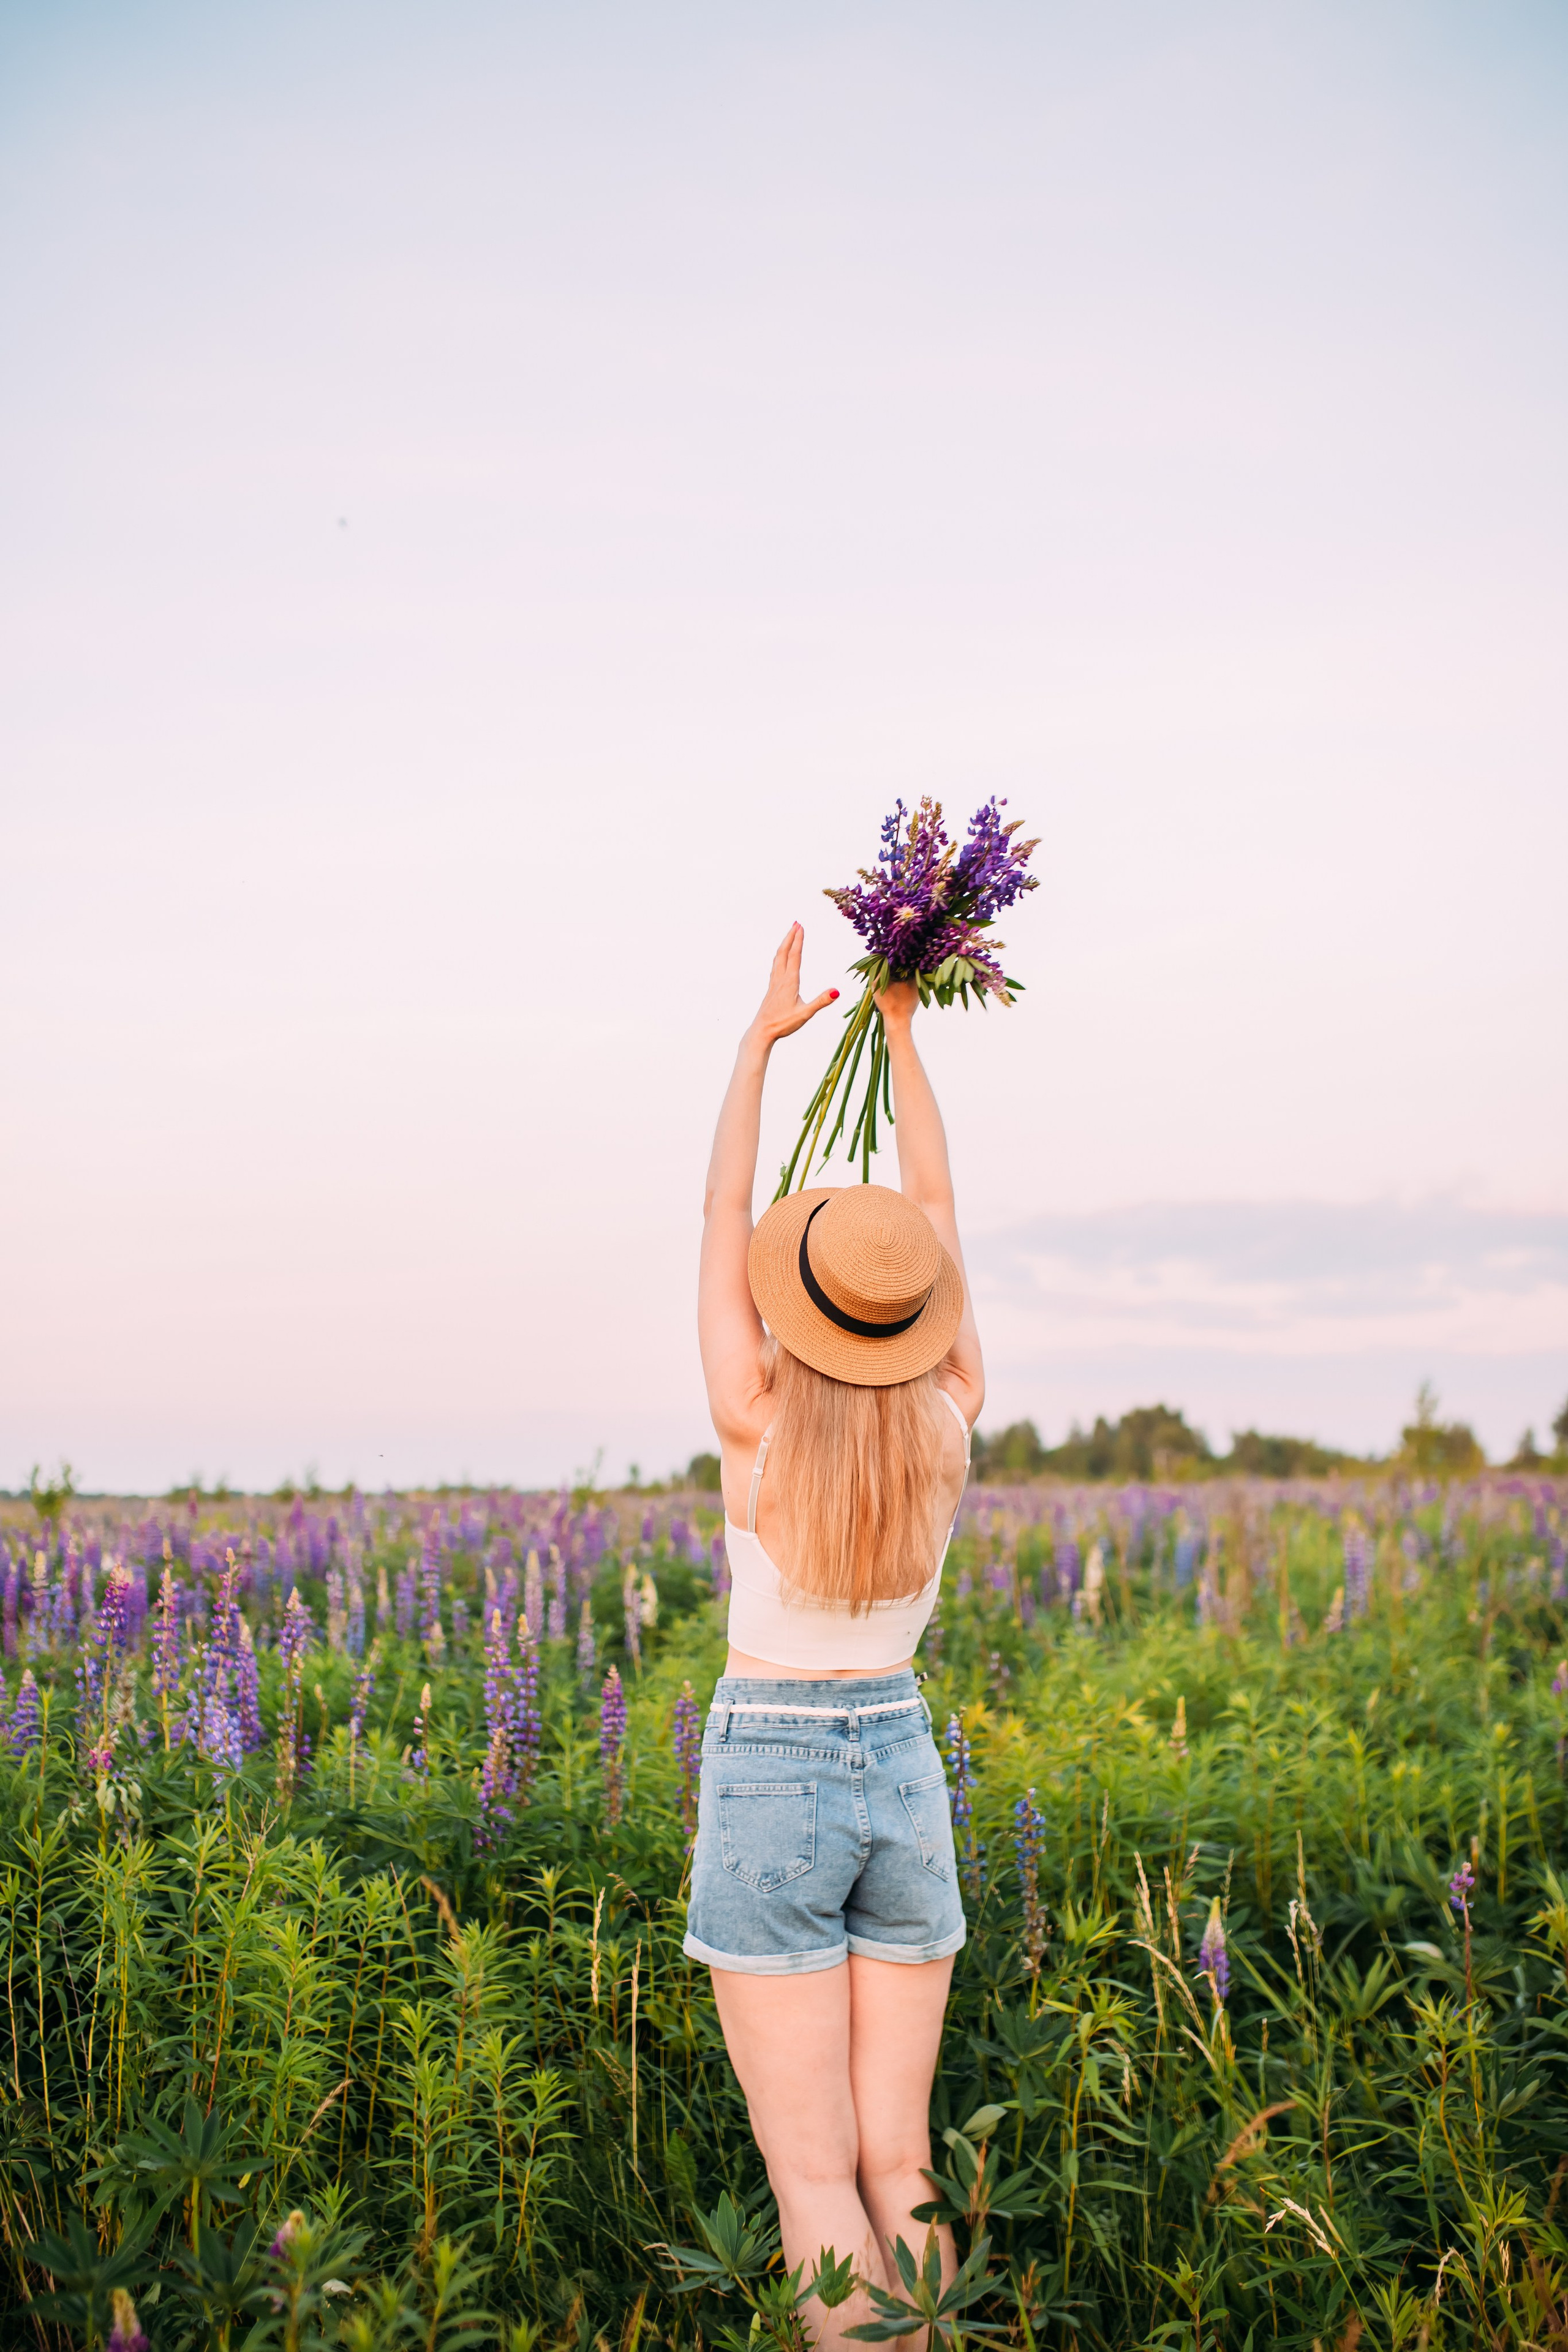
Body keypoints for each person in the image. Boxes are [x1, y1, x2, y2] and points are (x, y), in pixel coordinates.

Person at [690, 921, 985, 2348]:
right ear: (916, 1309)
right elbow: (937, 1203)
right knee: (896, 2163)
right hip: (901, 1758)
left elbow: (713, 1217)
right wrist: (905, 1038)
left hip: (770, 1765)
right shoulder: (950, 1419)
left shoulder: (750, 1422)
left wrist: (759, 1045)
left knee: (810, 2176)